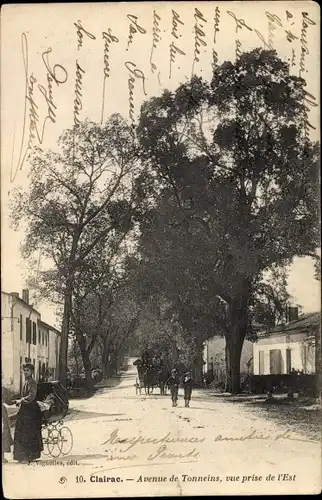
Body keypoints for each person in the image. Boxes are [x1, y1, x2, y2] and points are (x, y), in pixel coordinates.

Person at [13, 363, 43, 463]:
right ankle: (23, 455)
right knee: (21, 430)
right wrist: (19, 401)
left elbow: (31, 396)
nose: (25, 372)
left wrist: (21, 400)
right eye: (24, 370)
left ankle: (29, 455)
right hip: (26, 409)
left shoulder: (32, 382)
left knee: (28, 432)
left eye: (27, 370)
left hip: (31, 410)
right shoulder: (26, 381)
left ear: (32, 372)